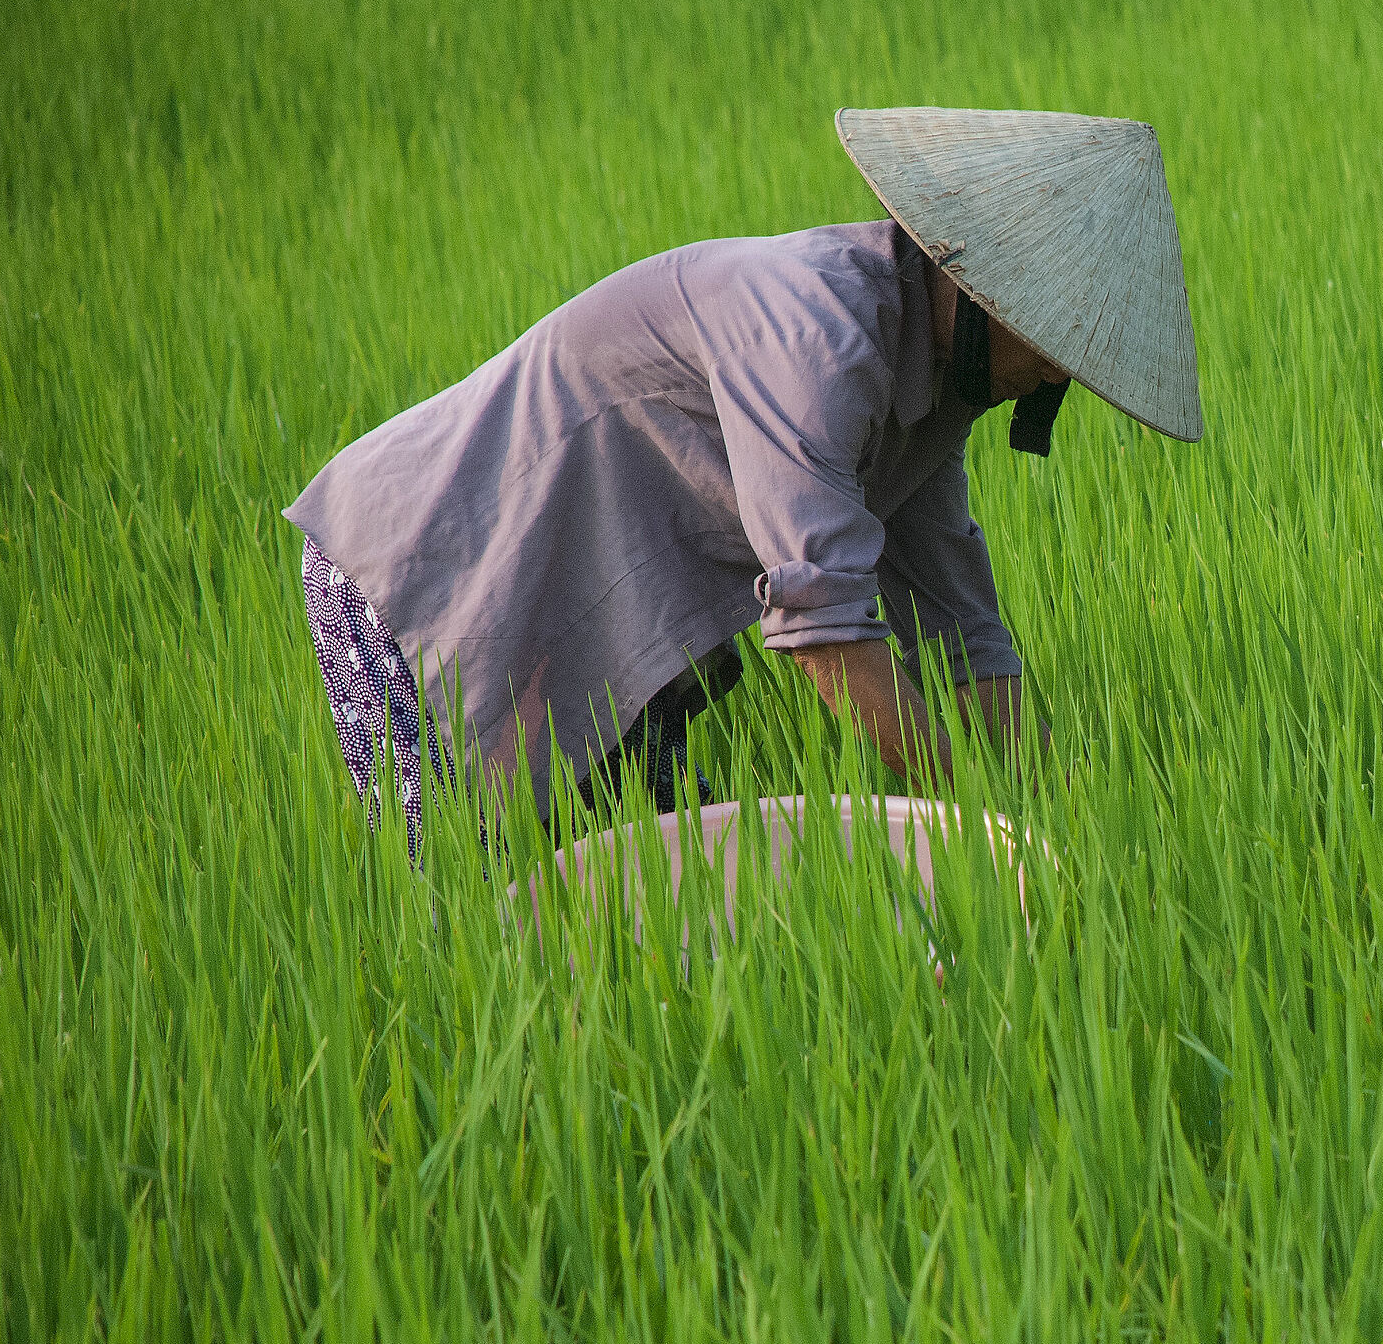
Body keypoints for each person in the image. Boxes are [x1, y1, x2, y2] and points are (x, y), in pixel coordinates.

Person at [284, 107, 1204, 856]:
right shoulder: (815, 336)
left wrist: (1068, 811)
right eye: (1051, 344)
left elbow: (960, 628)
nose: (1054, 379)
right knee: (471, 897)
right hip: (421, 568)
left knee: (635, 905)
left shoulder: (923, 393)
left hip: (606, 620)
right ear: (975, 292)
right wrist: (976, 820)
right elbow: (825, 629)